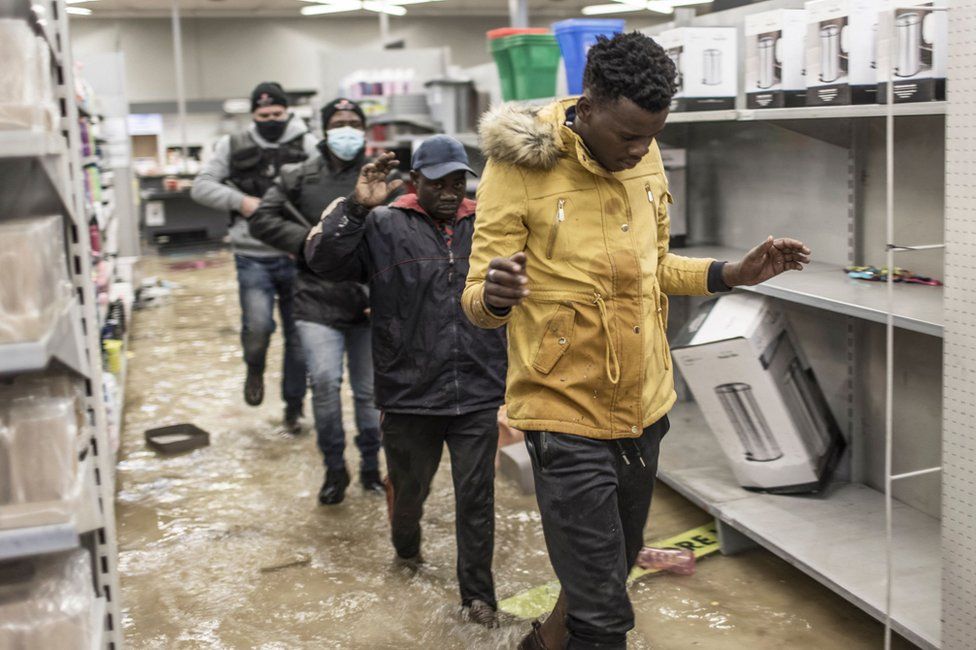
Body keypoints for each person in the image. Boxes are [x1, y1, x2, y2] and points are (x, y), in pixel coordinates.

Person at [461, 33, 812, 649]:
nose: (641, 149)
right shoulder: (520, 166)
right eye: (628, 135)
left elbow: (655, 266)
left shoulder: (639, 152)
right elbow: (476, 302)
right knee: (606, 620)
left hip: (645, 405)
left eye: (651, 135)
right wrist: (496, 293)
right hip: (563, 408)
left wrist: (732, 274)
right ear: (587, 106)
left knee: (602, 581)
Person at [304, 136, 507, 628]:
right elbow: (323, 262)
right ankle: (406, 552)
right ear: (416, 180)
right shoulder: (383, 224)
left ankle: (478, 598)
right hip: (410, 392)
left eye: (458, 182)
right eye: (438, 182)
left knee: (476, 498)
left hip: (477, 388)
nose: (449, 192)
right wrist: (355, 207)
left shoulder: (485, 223)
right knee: (411, 496)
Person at [248, 98, 385, 505]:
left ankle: (372, 468)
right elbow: (262, 218)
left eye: (354, 122)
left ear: (364, 129)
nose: (347, 129)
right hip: (314, 300)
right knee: (324, 384)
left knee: (368, 392)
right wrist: (311, 243)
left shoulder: (381, 176)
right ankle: (334, 469)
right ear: (325, 129)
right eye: (339, 122)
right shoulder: (297, 175)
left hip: (367, 300)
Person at [191, 82, 317, 432]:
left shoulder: (307, 144)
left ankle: (294, 408)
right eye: (264, 115)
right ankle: (255, 367)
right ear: (253, 115)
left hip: (296, 254)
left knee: (299, 338)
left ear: (288, 112)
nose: (272, 120)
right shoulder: (232, 145)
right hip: (252, 255)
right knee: (258, 327)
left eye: (278, 114)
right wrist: (241, 202)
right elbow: (201, 186)